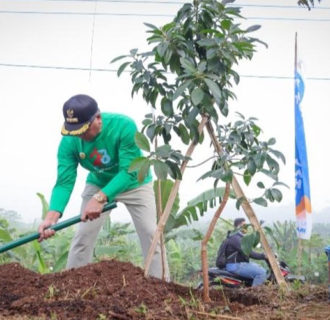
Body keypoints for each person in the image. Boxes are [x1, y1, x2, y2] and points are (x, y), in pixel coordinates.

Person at [38, 94, 168, 279]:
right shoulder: (69, 140)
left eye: (83, 130)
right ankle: (71, 284)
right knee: (83, 235)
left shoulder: (123, 126)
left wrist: (101, 198)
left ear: (97, 118)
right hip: (99, 181)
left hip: (135, 182)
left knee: (150, 233)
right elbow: (64, 181)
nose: (79, 137)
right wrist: (52, 215)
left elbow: (129, 170)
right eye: (75, 131)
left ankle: (161, 284)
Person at [216, 217, 268, 286]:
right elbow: (249, 252)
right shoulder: (235, 238)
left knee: (259, 267)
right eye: (244, 225)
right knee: (261, 273)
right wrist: (264, 256)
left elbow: (253, 246)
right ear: (239, 226)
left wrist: (265, 248)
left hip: (239, 264)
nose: (246, 227)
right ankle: (255, 295)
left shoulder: (238, 237)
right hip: (235, 265)